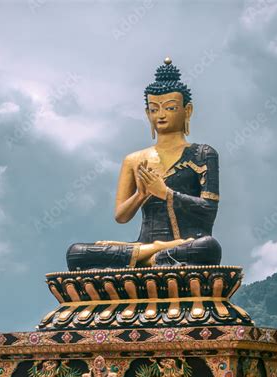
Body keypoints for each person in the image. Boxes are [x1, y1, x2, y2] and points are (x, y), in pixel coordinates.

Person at [66, 58, 221, 270]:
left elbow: (209, 210)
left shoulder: (203, 154)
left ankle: (143, 259)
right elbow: (121, 216)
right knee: (76, 254)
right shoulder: (134, 159)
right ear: (147, 113)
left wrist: (167, 193)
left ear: (188, 110)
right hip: (146, 245)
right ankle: (150, 255)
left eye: (170, 108)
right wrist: (140, 195)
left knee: (208, 248)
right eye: (154, 109)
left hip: (188, 245)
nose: (161, 115)